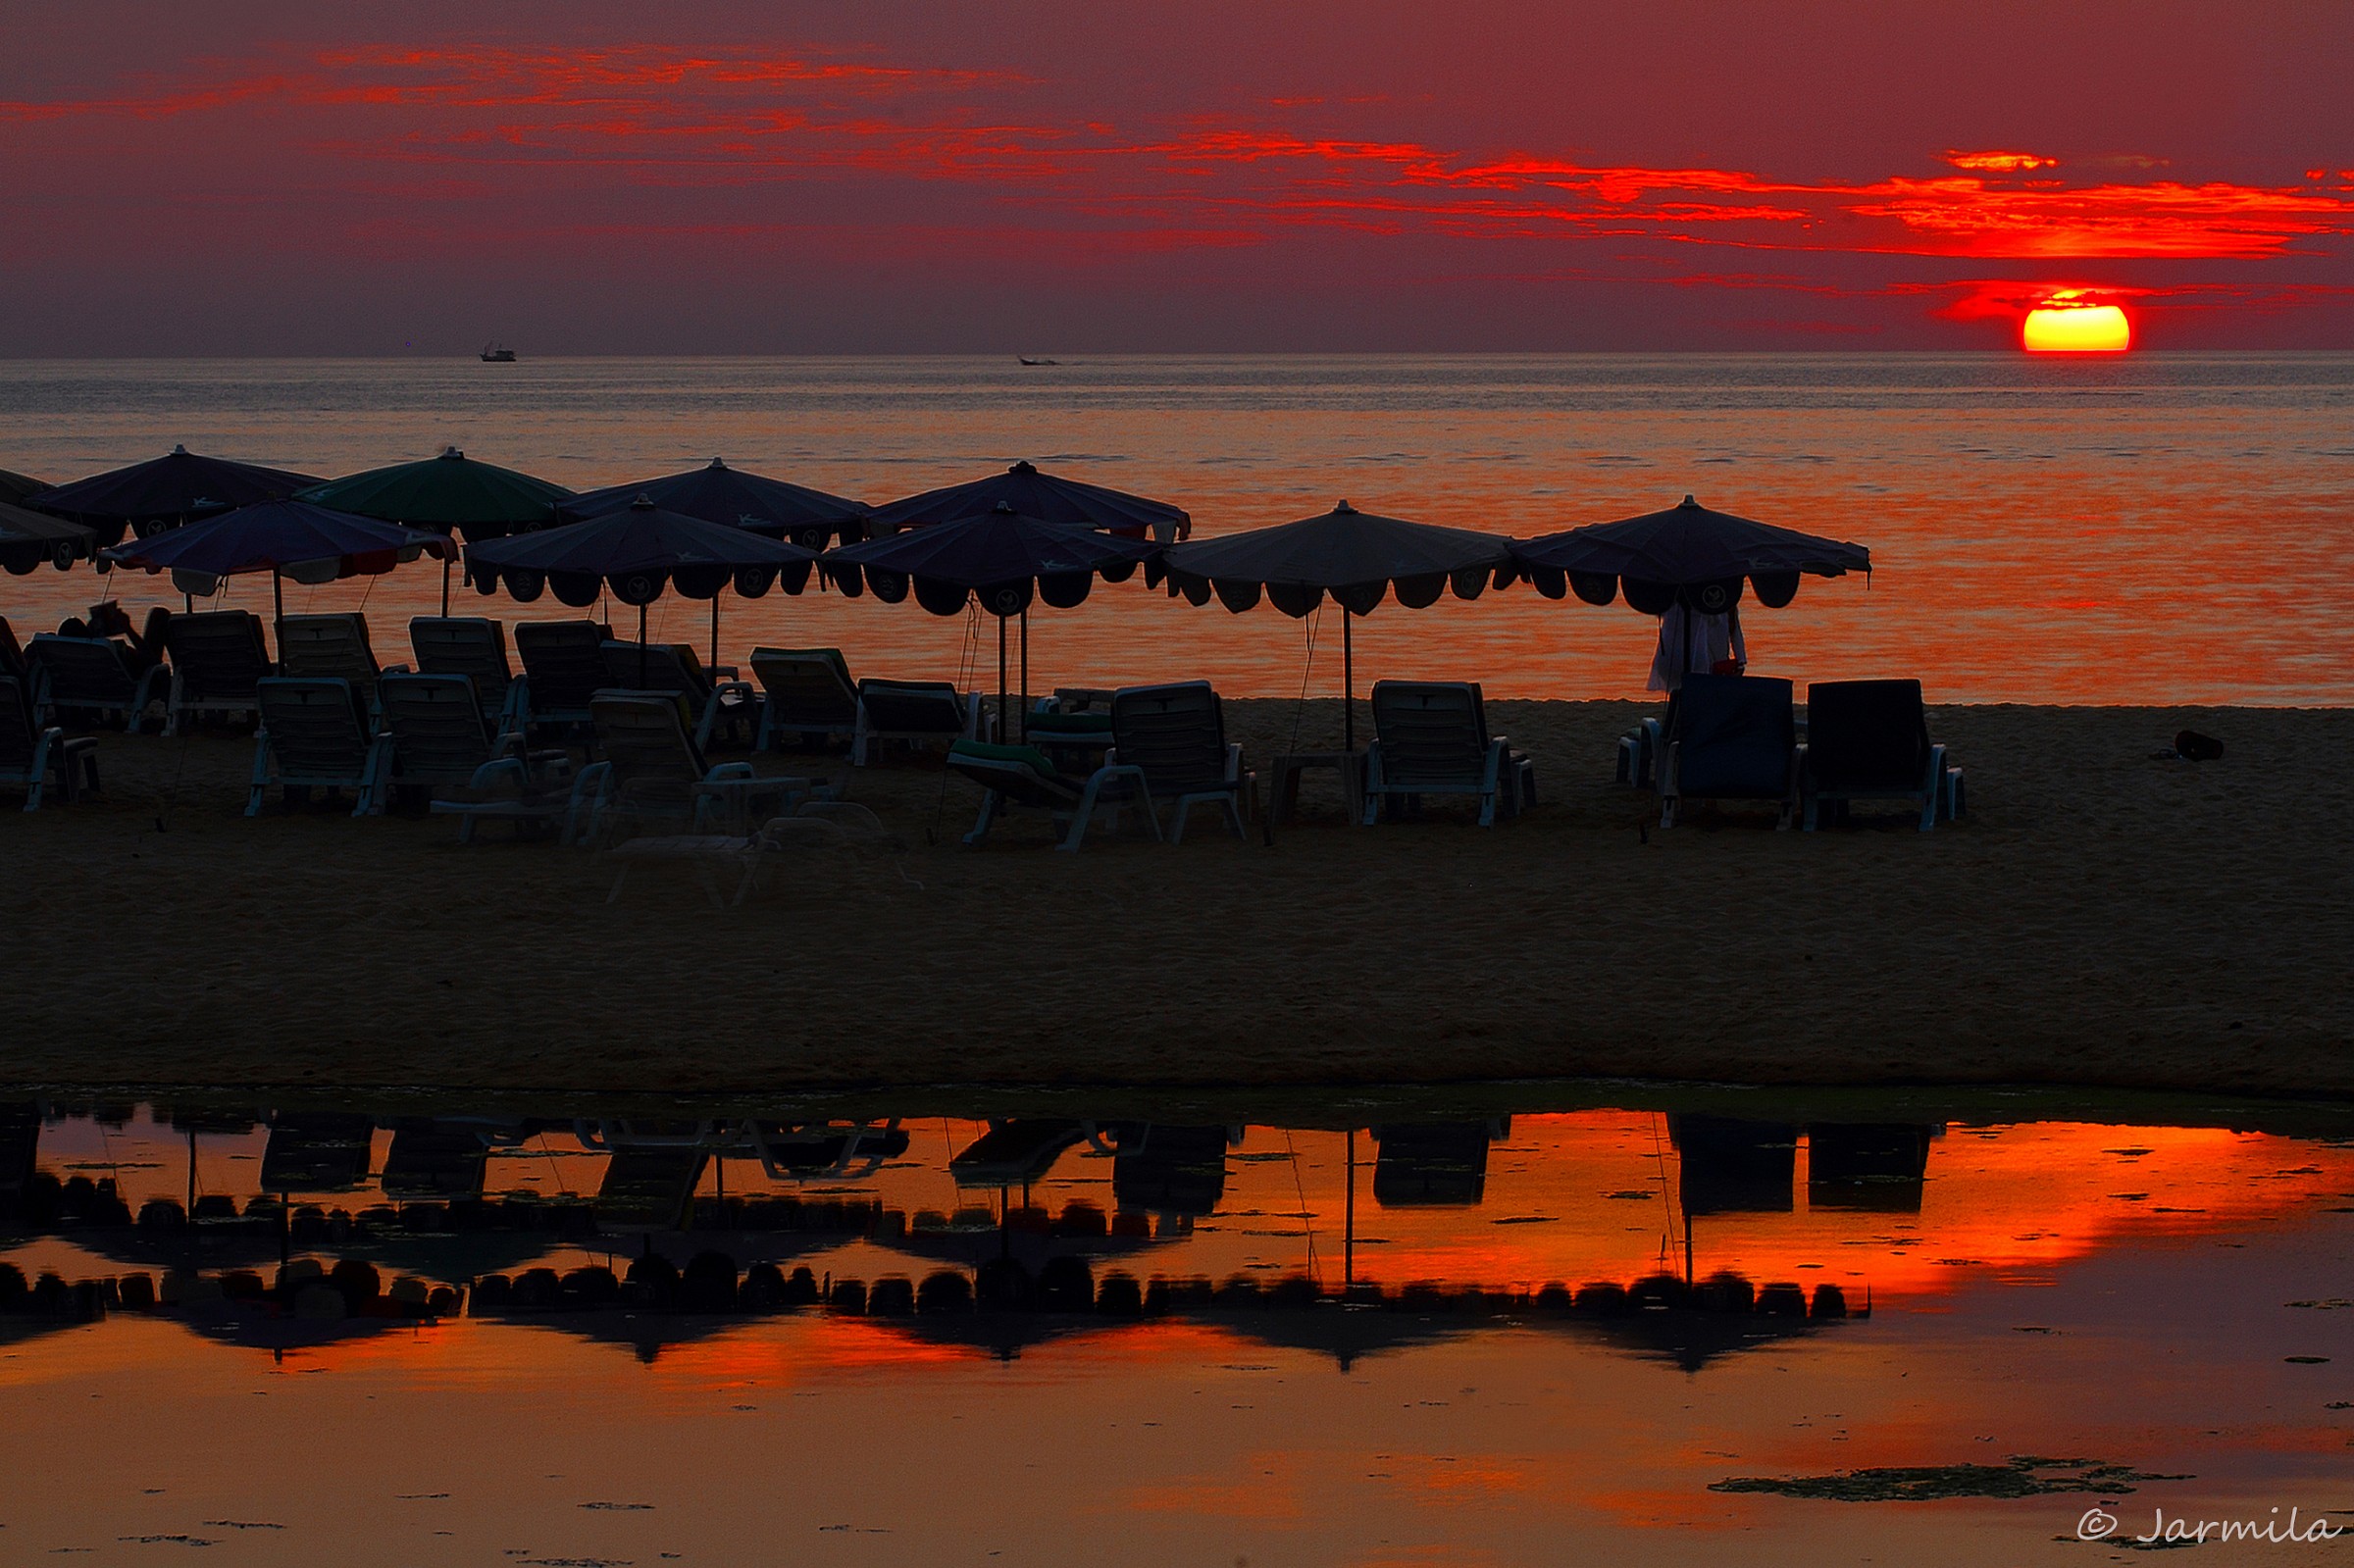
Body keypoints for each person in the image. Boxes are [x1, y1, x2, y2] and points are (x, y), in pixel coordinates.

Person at [1647, 601, 1746, 693]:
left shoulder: (1726, 601)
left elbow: (1734, 629)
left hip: (1717, 662)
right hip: (1692, 657)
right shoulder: (1689, 602)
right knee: (1691, 691)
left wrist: (1741, 660)